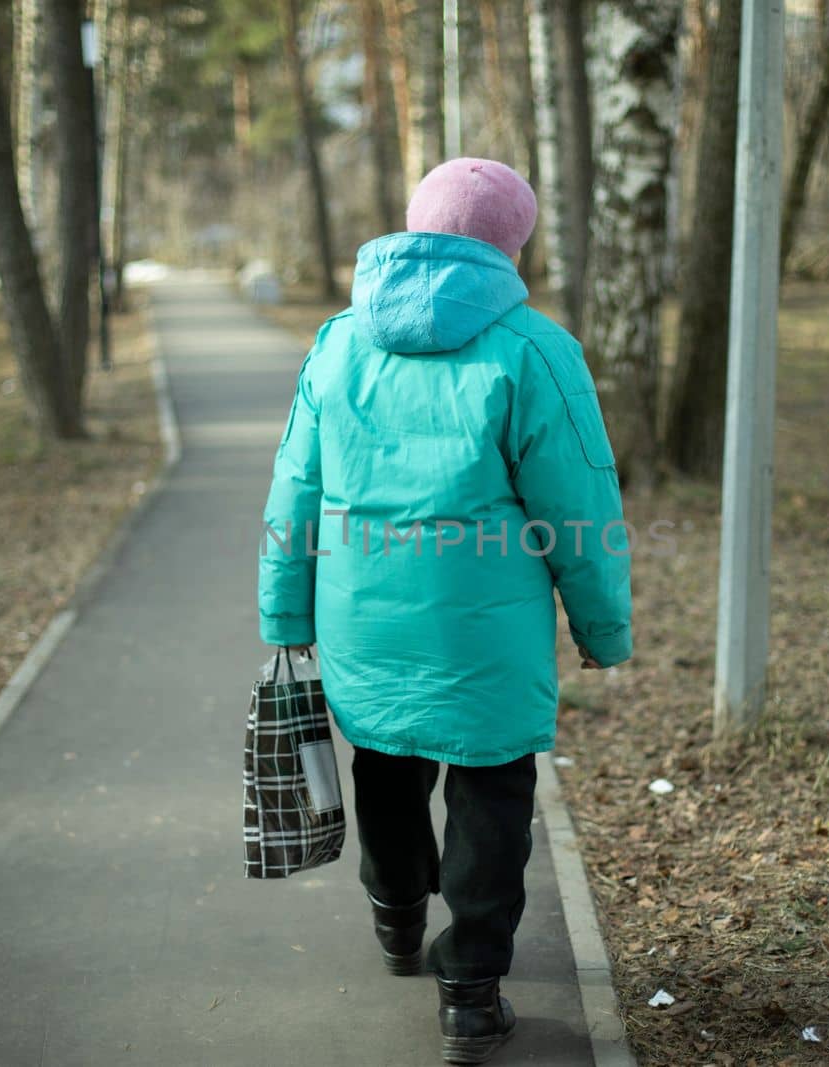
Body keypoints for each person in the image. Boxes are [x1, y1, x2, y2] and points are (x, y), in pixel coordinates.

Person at [257, 157, 633, 1065]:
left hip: (364, 620)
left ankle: (394, 917)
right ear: (513, 245)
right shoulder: (536, 350)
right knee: (492, 793)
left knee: (385, 765)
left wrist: (283, 611)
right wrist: (602, 625)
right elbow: (580, 509)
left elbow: (295, 487)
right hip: (487, 631)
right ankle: (469, 991)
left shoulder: (340, 341)